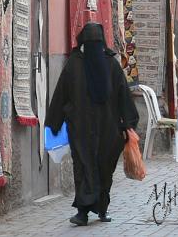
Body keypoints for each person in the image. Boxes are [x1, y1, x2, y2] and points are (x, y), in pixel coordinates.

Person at [45, 22, 139, 227]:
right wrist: (54, 122)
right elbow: (62, 94)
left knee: (104, 169)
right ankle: (83, 212)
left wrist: (128, 124)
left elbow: (123, 95)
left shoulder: (109, 65)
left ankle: (102, 209)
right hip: (83, 130)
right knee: (83, 168)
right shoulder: (76, 65)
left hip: (106, 130)